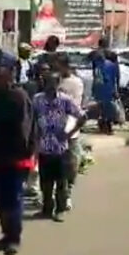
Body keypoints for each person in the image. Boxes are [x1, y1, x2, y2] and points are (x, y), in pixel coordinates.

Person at [0, 48, 37, 255]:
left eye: (1, 69)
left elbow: (26, 130)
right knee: (1, 199)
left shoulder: (19, 97)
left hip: (15, 158)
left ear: (11, 72)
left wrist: (25, 155)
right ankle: (6, 235)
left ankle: (14, 238)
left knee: (13, 199)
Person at [33, 72, 86, 222]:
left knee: (61, 181)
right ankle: (47, 208)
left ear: (58, 84)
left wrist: (69, 134)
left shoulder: (65, 100)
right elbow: (31, 119)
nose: (50, 86)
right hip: (43, 147)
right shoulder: (37, 100)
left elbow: (82, 117)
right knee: (45, 182)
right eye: (48, 82)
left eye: (53, 83)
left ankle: (60, 209)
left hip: (60, 148)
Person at [56, 53, 85, 210]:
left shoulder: (76, 82)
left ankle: (67, 193)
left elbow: (78, 105)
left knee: (72, 165)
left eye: (59, 65)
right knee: (56, 166)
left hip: (71, 129)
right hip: (54, 130)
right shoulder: (54, 82)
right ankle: (58, 196)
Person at [91, 50, 120, 135]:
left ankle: (106, 126)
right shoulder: (109, 65)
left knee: (106, 109)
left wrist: (115, 90)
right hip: (104, 90)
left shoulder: (104, 65)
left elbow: (100, 79)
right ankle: (105, 126)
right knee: (105, 109)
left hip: (105, 90)